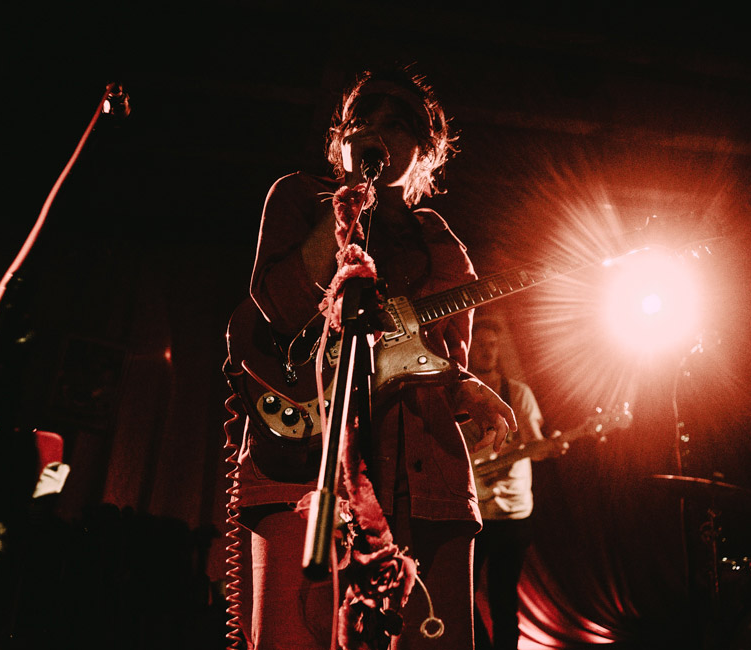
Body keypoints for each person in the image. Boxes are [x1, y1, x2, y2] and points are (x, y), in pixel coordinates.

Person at [231, 65, 517, 650]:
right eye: (365, 120)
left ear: (425, 153)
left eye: (399, 124)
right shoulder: (297, 196)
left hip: (424, 475)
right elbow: (270, 310)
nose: (378, 133)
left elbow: (443, 358)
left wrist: (465, 385)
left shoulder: (439, 241)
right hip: (300, 459)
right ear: (341, 138)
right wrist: (344, 218)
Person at [466, 316, 547, 650]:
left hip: (512, 513)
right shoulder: (457, 395)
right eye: (481, 344)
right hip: (472, 510)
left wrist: (551, 445)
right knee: (459, 593)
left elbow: (538, 447)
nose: (488, 351)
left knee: (503, 600)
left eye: (493, 344)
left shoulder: (517, 393)